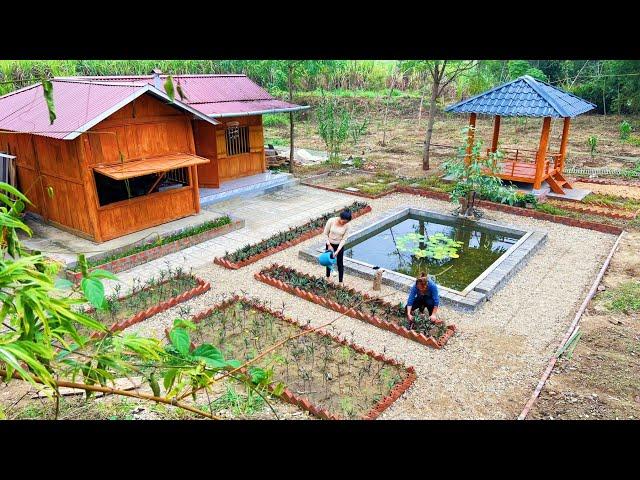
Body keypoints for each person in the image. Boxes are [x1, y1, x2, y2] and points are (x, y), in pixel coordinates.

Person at [323, 209, 352, 284]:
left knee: (340, 263)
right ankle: (328, 277)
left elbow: (344, 239)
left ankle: (340, 282)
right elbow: (325, 233)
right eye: (344, 221)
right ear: (340, 217)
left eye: (346, 222)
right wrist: (329, 245)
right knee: (328, 261)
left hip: (339, 245)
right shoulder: (331, 221)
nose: (344, 223)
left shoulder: (347, 226)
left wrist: (338, 250)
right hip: (329, 244)